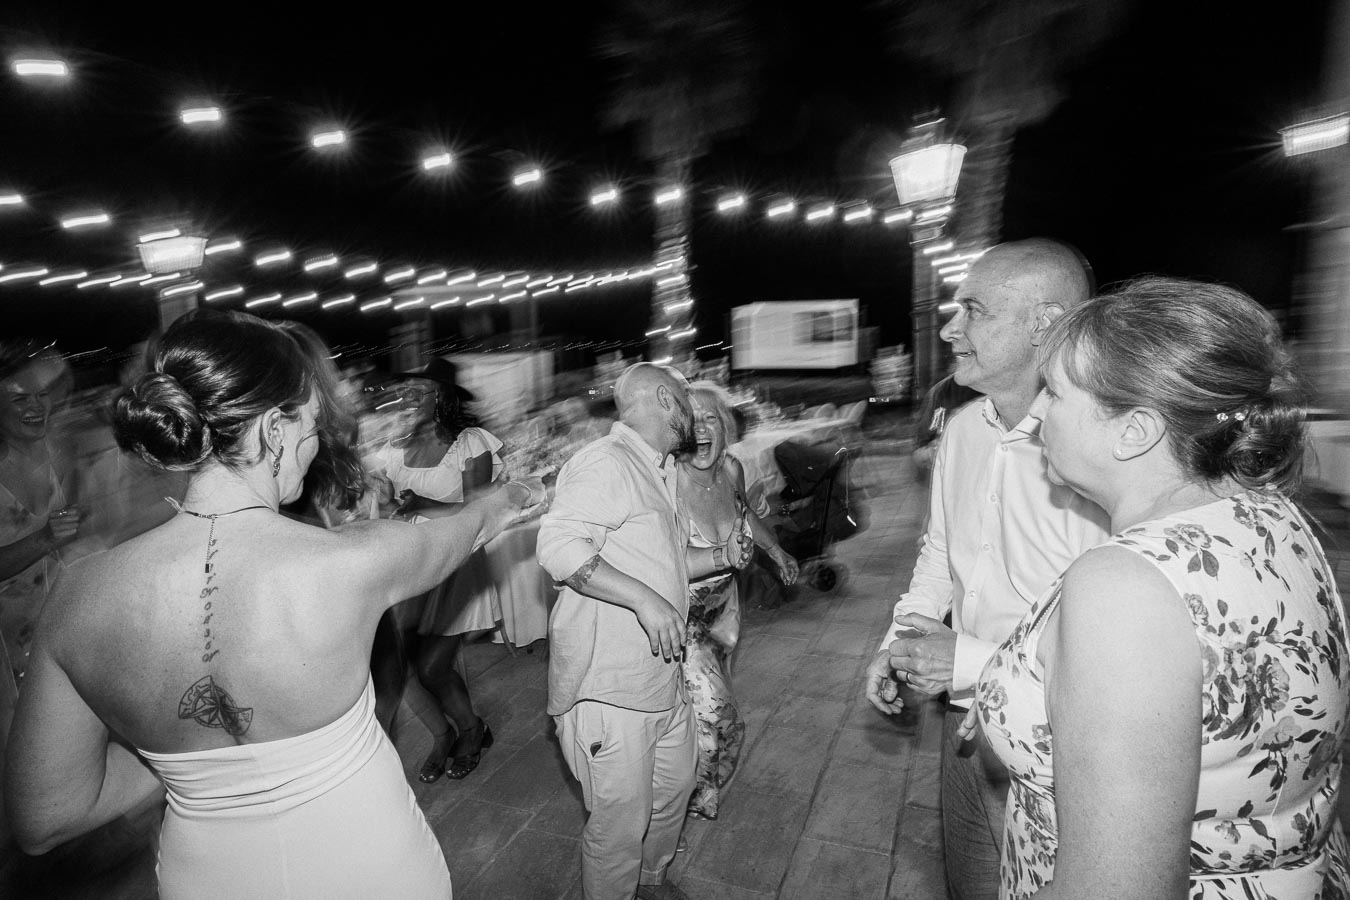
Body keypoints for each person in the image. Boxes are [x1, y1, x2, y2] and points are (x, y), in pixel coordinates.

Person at [5, 311, 543, 899]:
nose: (313, 447)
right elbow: (464, 531)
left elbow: (46, 817)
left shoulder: (78, 595)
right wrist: (514, 495)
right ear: (272, 428)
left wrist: (186, 761)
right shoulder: (352, 561)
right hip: (369, 870)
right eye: (311, 424)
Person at [962, 277, 1350, 899]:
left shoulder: (1126, 587)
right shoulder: (1274, 518)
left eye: (1055, 394)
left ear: (1134, 431)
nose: (1035, 415)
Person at [862, 238, 1110, 900]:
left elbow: (1112, 650)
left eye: (974, 309)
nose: (950, 327)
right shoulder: (966, 431)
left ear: (1046, 324)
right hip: (963, 723)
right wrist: (904, 641)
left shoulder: (1100, 454)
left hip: (1061, 745)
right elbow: (941, 554)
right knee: (970, 880)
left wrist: (967, 660)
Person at [537, 362, 752, 900]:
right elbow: (558, 546)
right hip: (609, 689)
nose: (695, 421)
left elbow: (672, 557)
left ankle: (650, 883)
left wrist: (721, 554)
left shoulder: (655, 469)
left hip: (660, 682)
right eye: (685, 401)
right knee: (617, 829)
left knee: (674, 791)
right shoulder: (606, 463)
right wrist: (645, 601)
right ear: (664, 398)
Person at [369, 357, 505, 782]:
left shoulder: (471, 443)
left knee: (431, 667)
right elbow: (390, 505)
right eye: (404, 390)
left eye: (417, 391)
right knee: (404, 666)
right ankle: (443, 734)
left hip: (455, 560)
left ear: (441, 396)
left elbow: (479, 508)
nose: (406, 398)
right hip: (411, 564)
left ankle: (471, 729)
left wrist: (422, 505)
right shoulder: (396, 448)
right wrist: (381, 500)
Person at [676, 382, 797, 820]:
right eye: (691, 420)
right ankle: (697, 797)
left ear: (726, 427)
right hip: (682, 621)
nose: (701, 428)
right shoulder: (666, 484)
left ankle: (682, 782)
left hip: (724, 612)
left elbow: (745, 514)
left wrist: (775, 550)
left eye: (711, 417)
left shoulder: (730, 471)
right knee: (719, 716)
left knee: (699, 710)